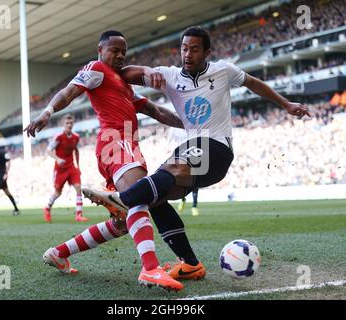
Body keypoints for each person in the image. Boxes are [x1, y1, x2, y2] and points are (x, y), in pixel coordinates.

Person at [82, 26, 310, 277]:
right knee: (155, 199)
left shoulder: (223, 70)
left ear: (207, 52)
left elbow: (254, 84)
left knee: (163, 175)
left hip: (217, 148)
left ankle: (124, 200)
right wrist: (147, 70)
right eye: (184, 48)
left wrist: (286, 104)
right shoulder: (170, 75)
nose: (187, 54)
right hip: (191, 148)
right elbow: (123, 73)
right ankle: (190, 264)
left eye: (194, 49)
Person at [24, 31, 187, 291]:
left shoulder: (123, 84)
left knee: (124, 221)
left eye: (124, 51)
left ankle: (59, 253)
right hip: (115, 141)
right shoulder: (97, 68)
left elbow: (153, 110)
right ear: (100, 50)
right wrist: (47, 112)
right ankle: (150, 269)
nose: (121, 55)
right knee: (140, 196)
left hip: (128, 145)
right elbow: (69, 92)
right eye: (115, 50)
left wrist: (190, 125)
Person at [43, 114, 88, 223]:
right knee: (58, 193)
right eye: (67, 123)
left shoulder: (76, 137)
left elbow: (76, 151)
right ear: (63, 124)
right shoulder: (58, 137)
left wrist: (78, 166)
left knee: (78, 187)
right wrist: (57, 159)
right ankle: (47, 208)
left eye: (71, 123)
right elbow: (48, 150)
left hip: (71, 166)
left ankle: (78, 215)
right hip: (60, 169)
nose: (69, 125)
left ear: (73, 124)